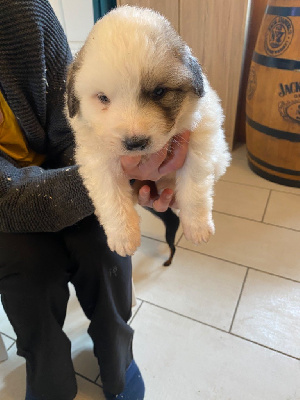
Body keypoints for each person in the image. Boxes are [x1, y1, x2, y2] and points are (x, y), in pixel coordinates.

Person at [0, 1, 189, 399]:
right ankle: (48, 375)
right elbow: (7, 200)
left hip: (68, 165)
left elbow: (75, 125)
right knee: (28, 268)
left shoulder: (22, 12)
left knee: (106, 247)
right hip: (6, 204)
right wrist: (118, 174)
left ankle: (118, 356)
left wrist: (129, 171)